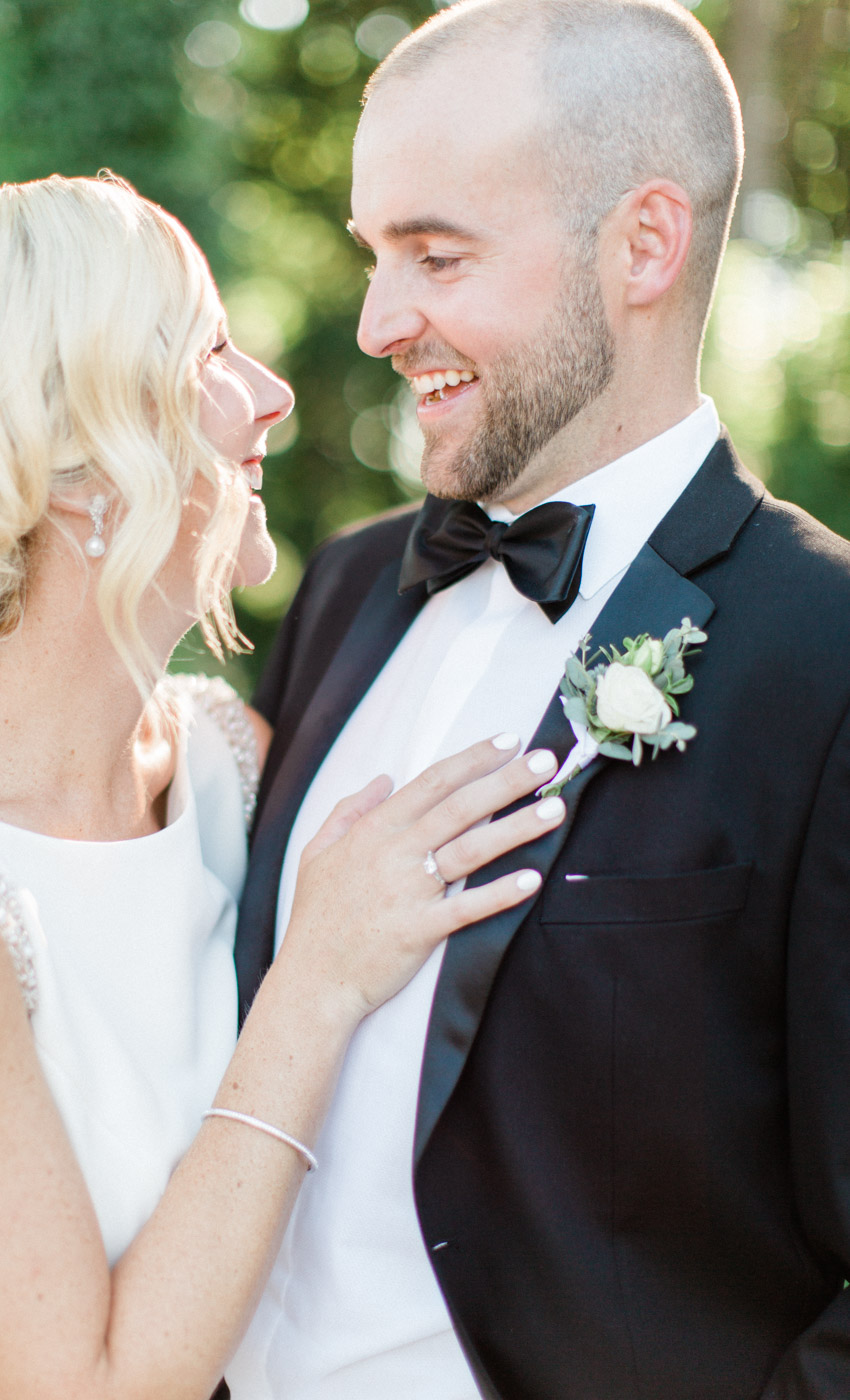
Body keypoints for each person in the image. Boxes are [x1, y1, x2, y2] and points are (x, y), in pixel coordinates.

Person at [0, 173, 565, 1400]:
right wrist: (314, 982)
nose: (271, 393)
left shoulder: (220, 761)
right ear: (71, 469)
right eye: (209, 348)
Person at [226, 1, 850, 1397]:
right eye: (371, 256)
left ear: (641, 244)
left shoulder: (827, 655)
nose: (381, 322)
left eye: (435, 254)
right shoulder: (341, 592)